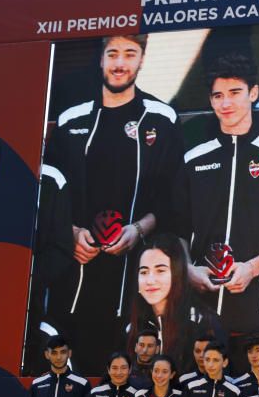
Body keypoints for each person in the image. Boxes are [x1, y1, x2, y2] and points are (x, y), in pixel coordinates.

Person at [43, 34, 182, 373]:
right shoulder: (71, 119)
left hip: (131, 277)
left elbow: (174, 198)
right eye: (113, 54)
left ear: (143, 59)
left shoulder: (162, 119)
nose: (120, 63)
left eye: (130, 54)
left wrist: (138, 230)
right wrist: (71, 233)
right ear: (101, 59)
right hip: (73, 276)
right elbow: (48, 192)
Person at [170, 52, 259, 375]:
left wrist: (252, 268)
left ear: (254, 93)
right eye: (218, 96)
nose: (226, 104)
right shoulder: (193, 154)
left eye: (235, 93)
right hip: (197, 305)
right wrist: (188, 270)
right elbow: (175, 224)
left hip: (254, 305)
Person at [128, 234, 222, 376]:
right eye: (144, 272)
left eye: (160, 270)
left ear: (176, 273)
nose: (150, 280)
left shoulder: (203, 322)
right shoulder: (131, 325)